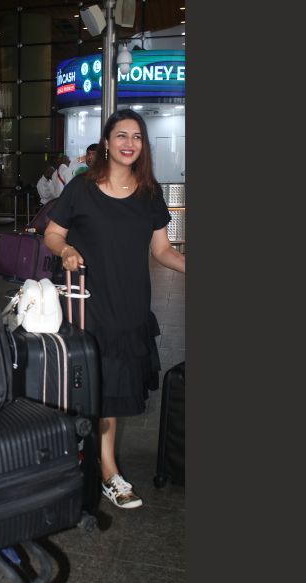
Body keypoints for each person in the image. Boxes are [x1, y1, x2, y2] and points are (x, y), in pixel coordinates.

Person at [44, 109, 185, 509]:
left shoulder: (149, 194)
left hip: (130, 306)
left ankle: (104, 468)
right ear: (107, 142)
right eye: (121, 135)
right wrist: (66, 249)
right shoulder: (82, 188)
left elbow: (162, 250)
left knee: (115, 389)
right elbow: (52, 234)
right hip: (87, 305)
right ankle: (101, 465)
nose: (129, 143)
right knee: (90, 387)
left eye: (136, 137)